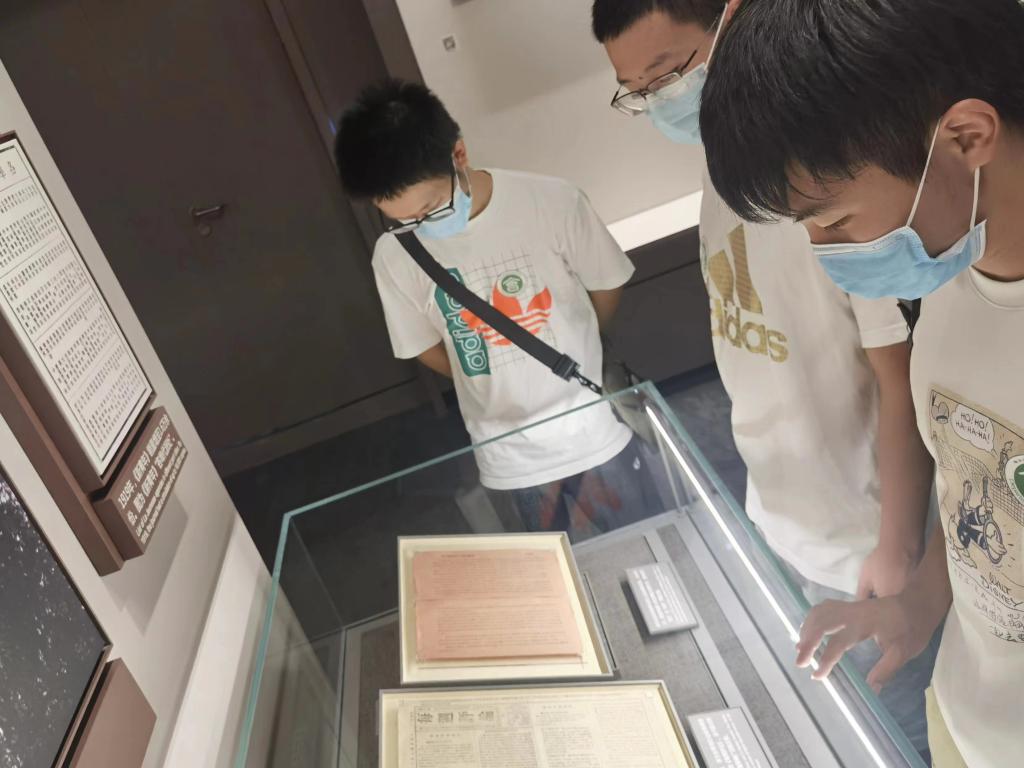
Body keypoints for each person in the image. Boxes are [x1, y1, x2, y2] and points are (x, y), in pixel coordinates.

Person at [591, 0, 936, 754]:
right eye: (637, 91)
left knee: (902, 729)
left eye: (667, 74)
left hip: (870, 540)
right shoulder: (723, 170)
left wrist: (898, 542)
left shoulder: (829, 177)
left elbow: (899, 375)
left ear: (729, 19)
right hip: (787, 518)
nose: (659, 102)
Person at [699, 0, 1024, 765]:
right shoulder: (950, 280)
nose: (825, 251)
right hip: (964, 719)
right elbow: (986, 503)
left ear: (965, 137)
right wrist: (920, 603)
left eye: (835, 220)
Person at [334, 79, 654, 541]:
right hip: (509, 457)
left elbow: (605, 286)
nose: (419, 225)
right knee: (552, 572)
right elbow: (421, 345)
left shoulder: (552, 202)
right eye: (401, 219)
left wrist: (582, 343)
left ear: (458, 155)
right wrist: (479, 379)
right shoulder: (395, 254)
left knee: (646, 544)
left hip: (596, 427)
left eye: (429, 208)